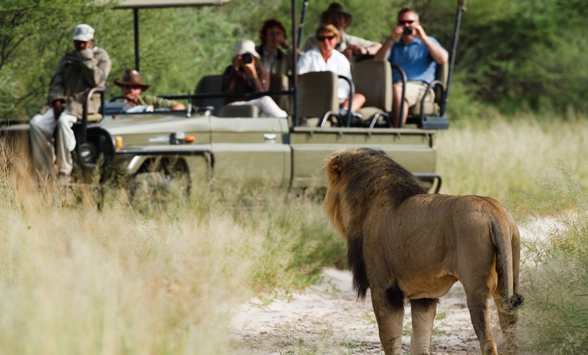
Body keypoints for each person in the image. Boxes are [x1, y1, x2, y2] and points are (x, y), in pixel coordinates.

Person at [29, 24, 111, 181]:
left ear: (91, 41)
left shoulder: (101, 56)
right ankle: (45, 170)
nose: (80, 45)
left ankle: (64, 170)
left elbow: (96, 79)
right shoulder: (68, 58)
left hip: (84, 105)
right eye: (77, 41)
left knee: (64, 122)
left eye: (83, 42)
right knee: (36, 124)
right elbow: (56, 81)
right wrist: (56, 101)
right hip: (64, 103)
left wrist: (86, 56)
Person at [374, 8, 448, 127]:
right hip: (394, 86)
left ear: (418, 24)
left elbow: (443, 58)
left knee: (398, 90)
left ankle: (397, 132)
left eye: (410, 22)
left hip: (422, 88)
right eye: (402, 23)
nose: (406, 26)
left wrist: (423, 37)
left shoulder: (428, 42)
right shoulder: (394, 45)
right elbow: (377, 63)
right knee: (390, 89)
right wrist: (391, 39)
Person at [298, 24, 366, 115]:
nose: (326, 42)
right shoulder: (307, 58)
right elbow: (300, 81)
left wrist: (336, 98)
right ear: (317, 40)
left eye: (330, 38)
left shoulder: (341, 59)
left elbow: (345, 85)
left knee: (359, 97)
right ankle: (344, 114)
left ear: (336, 39)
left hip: (337, 100)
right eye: (322, 38)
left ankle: (344, 113)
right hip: (314, 99)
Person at [221, 39, 288, 117]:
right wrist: (235, 69)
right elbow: (226, 92)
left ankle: (282, 122)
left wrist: (253, 74)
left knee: (264, 115)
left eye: (249, 56)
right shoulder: (230, 70)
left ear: (254, 57)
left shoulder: (261, 72)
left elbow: (261, 94)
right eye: (242, 56)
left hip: (255, 105)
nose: (246, 58)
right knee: (265, 100)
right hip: (233, 105)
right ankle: (284, 118)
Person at [304, 3, 381, 62]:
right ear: (326, 21)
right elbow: (312, 62)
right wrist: (340, 57)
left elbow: (379, 47)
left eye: (340, 18)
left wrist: (364, 51)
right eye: (333, 17)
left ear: (345, 21)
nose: (337, 21)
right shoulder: (314, 40)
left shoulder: (350, 40)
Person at [114, 69, 185, 111]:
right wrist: (123, 105)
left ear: (140, 90)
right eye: (128, 87)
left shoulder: (148, 100)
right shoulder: (115, 106)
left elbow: (179, 106)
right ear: (122, 89)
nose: (131, 91)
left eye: (135, 87)